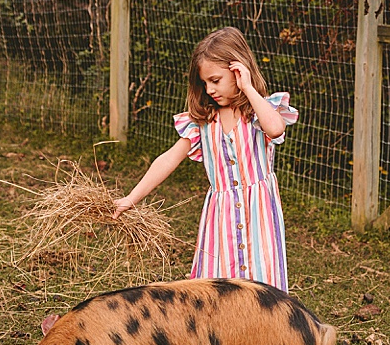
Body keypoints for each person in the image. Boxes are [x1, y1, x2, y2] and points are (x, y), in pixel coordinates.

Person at [112, 26, 299, 291]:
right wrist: (131, 198)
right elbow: (167, 159)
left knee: (264, 288)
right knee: (218, 290)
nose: (209, 89)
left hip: (260, 216)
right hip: (220, 217)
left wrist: (247, 88)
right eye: (204, 83)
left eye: (216, 80)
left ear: (238, 71)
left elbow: (276, 128)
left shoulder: (258, 111)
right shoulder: (202, 122)